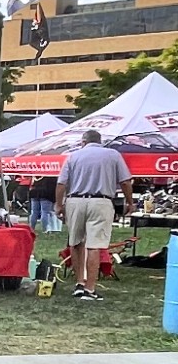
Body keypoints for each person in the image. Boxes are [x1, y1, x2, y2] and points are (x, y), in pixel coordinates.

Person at [55, 129, 134, 301]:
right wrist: (130, 202)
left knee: (75, 242)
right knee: (94, 245)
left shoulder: (73, 156)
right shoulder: (113, 155)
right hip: (101, 201)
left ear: (83, 142)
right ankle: (90, 289)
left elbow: (61, 183)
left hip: (75, 200)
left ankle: (79, 283)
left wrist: (59, 205)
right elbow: (125, 181)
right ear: (100, 141)